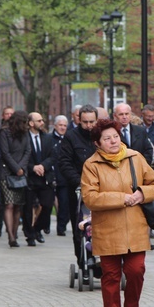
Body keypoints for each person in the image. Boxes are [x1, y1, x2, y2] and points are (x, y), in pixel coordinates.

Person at [81, 118, 154, 307]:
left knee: (136, 272)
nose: (113, 141)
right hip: (107, 231)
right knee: (110, 279)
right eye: (107, 139)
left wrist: (141, 194)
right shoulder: (92, 164)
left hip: (136, 228)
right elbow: (90, 197)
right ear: (98, 143)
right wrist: (122, 198)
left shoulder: (135, 158)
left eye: (115, 137)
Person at [57, 104, 98, 273]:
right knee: (80, 226)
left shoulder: (102, 135)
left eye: (92, 122)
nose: (89, 126)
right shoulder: (71, 137)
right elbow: (64, 162)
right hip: (78, 189)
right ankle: (83, 261)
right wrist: (78, 182)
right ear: (79, 120)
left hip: (101, 188)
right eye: (85, 122)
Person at [0, 110, 31, 248]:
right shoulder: (4, 132)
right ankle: (10, 236)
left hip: (21, 173)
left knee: (18, 205)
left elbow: (28, 151)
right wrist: (16, 168)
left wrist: (21, 168)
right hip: (6, 173)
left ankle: (15, 232)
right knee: (9, 204)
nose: (27, 125)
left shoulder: (25, 134)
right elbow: (5, 153)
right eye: (24, 122)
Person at [23, 112, 55, 246]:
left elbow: (53, 156)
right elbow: (21, 158)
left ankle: (37, 228)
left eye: (42, 120)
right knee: (27, 208)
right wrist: (33, 167)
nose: (42, 122)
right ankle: (29, 235)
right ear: (31, 123)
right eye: (39, 120)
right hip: (29, 178)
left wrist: (43, 165)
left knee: (47, 205)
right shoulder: (24, 138)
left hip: (44, 177)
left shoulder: (47, 138)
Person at [50, 115, 70, 236]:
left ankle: (61, 227)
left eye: (64, 125)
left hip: (63, 177)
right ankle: (45, 226)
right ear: (55, 126)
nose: (62, 128)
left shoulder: (68, 139)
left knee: (64, 203)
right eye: (60, 125)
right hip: (51, 175)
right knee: (46, 203)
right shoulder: (49, 139)